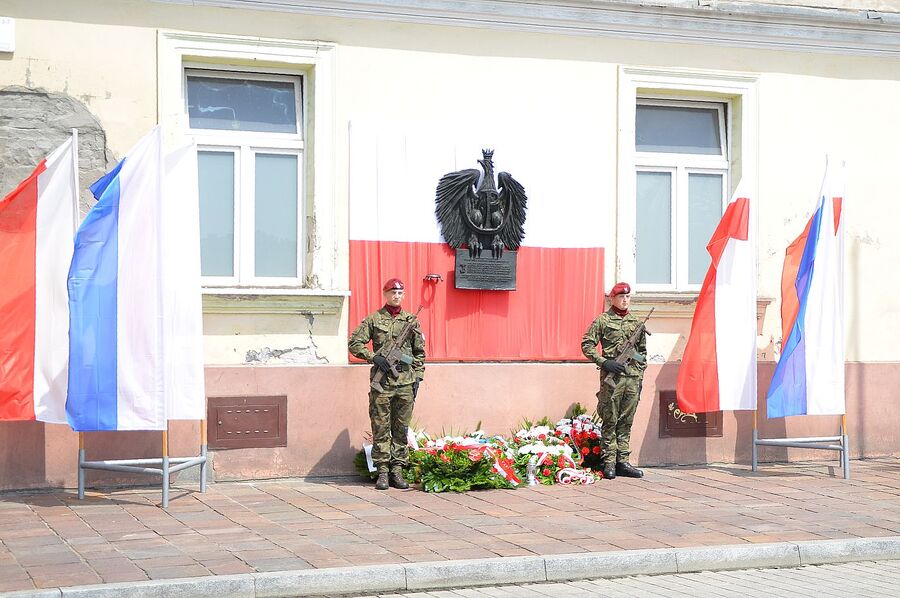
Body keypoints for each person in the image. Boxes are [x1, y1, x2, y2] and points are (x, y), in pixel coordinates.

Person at [349, 278, 426, 490]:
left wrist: (417, 377)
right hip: (382, 384)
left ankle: (397, 471)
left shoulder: (411, 321)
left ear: (404, 295)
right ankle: (382, 471)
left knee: (401, 428)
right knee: (380, 426)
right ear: (385, 294)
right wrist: (374, 358)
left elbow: (419, 353)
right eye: (392, 292)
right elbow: (354, 343)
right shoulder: (374, 320)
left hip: (405, 383)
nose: (396, 296)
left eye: (400, 293)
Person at [581, 282, 647, 481]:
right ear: (612, 299)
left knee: (626, 420)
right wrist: (605, 362)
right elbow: (587, 345)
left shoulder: (637, 323)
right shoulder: (603, 320)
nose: (625, 300)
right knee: (610, 419)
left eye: (627, 297)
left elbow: (642, 354)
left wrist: (639, 372)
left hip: (632, 379)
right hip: (612, 380)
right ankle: (609, 461)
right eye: (621, 297)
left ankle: (623, 462)